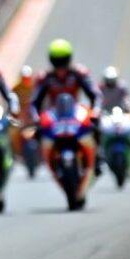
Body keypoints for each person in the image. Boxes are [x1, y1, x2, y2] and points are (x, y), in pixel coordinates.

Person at [32, 39, 101, 174]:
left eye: (63, 61)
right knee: (37, 133)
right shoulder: (45, 78)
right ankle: (45, 160)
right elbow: (35, 103)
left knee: (95, 125)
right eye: (57, 62)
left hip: (75, 112)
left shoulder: (79, 74)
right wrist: (36, 117)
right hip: (55, 115)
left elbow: (95, 95)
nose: (60, 67)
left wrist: (96, 110)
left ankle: (97, 156)